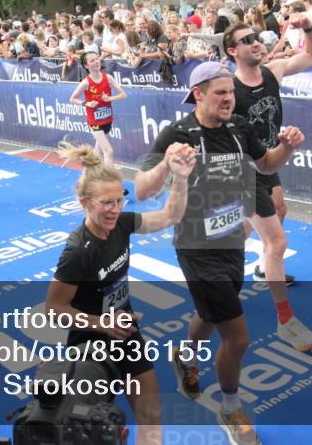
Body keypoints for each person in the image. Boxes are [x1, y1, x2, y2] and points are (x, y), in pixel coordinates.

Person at [135, 61, 306, 445]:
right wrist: (167, 164)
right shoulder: (177, 134)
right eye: (220, 93)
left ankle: (184, 355)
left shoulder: (239, 127)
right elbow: (143, 189)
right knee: (239, 338)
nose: (229, 99)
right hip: (196, 247)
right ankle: (231, 407)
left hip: (232, 240)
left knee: (209, 314)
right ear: (198, 94)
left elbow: (266, 165)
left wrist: (287, 147)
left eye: (230, 92)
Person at [46, 142, 196, 445]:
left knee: (151, 414)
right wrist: (103, 323)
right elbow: (54, 309)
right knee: (97, 430)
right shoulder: (78, 251)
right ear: (84, 203)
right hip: (90, 347)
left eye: (119, 200)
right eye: (106, 203)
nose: (115, 210)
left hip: (125, 333)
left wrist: (180, 178)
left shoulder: (121, 226)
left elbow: (171, 216)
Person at [224, 17, 312, 352]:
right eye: (247, 39)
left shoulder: (272, 72)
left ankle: (229, 265)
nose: (255, 42)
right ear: (232, 50)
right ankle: (285, 320)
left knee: (278, 212)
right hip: (243, 172)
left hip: (269, 161)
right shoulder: (229, 89)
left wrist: (309, 29)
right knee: (276, 242)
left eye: (256, 37)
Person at [68, 53, 127, 166]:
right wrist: (87, 103)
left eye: (97, 59)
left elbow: (123, 95)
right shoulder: (86, 82)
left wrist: (109, 98)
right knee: (108, 151)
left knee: (97, 153)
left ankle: (88, 174)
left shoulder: (108, 78)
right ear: (86, 66)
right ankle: (108, 181)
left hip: (107, 120)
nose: (96, 62)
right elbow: (72, 99)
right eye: (92, 61)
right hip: (95, 122)